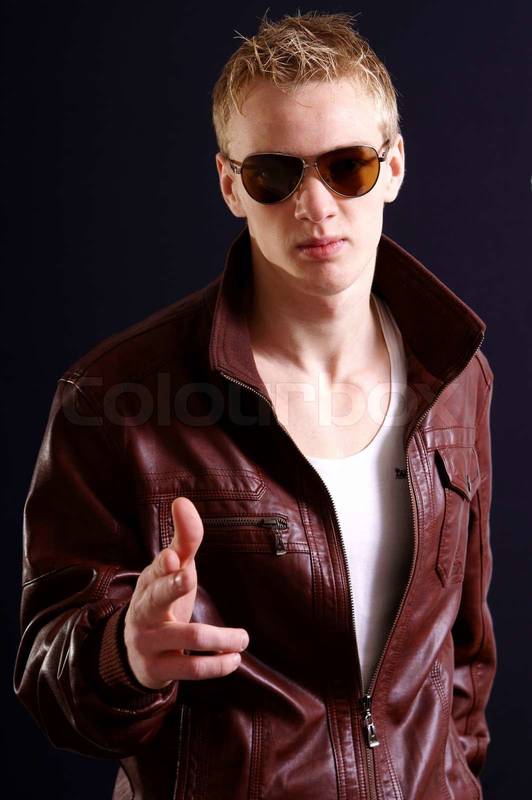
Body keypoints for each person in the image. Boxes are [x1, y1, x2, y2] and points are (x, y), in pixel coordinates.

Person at [14, 11, 496, 800]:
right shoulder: (113, 400)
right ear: (231, 184)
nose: (316, 206)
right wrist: (126, 657)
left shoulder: (457, 375)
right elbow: (48, 676)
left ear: (394, 166)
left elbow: (463, 655)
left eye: (347, 167)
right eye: (276, 175)